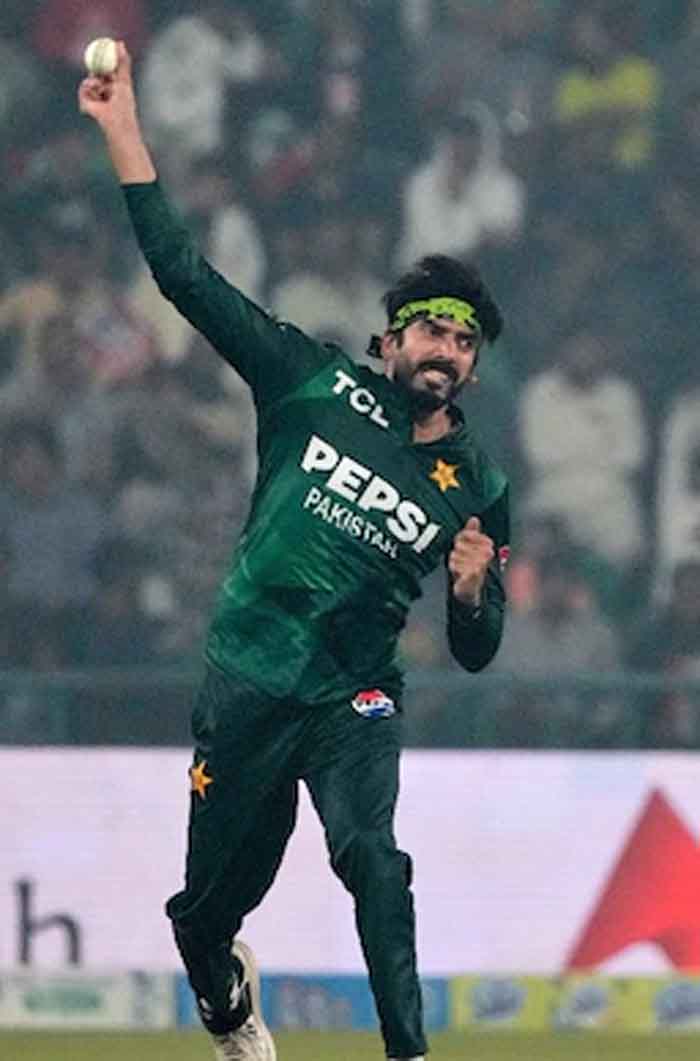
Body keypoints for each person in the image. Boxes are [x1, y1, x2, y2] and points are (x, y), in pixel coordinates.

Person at [78, 43, 510, 1061]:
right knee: (204, 910)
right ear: (388, 343)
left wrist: (470, 594)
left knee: (373, 858)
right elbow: (185, 276)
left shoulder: (480, 485)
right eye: (430, 331)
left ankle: (409, 1052)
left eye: (464, 342)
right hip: (247, 677)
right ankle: (223, 992)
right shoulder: (307, 381)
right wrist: (122, 127)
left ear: (472, 368)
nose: (446, 350)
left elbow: (478, 647)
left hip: (352, 694)